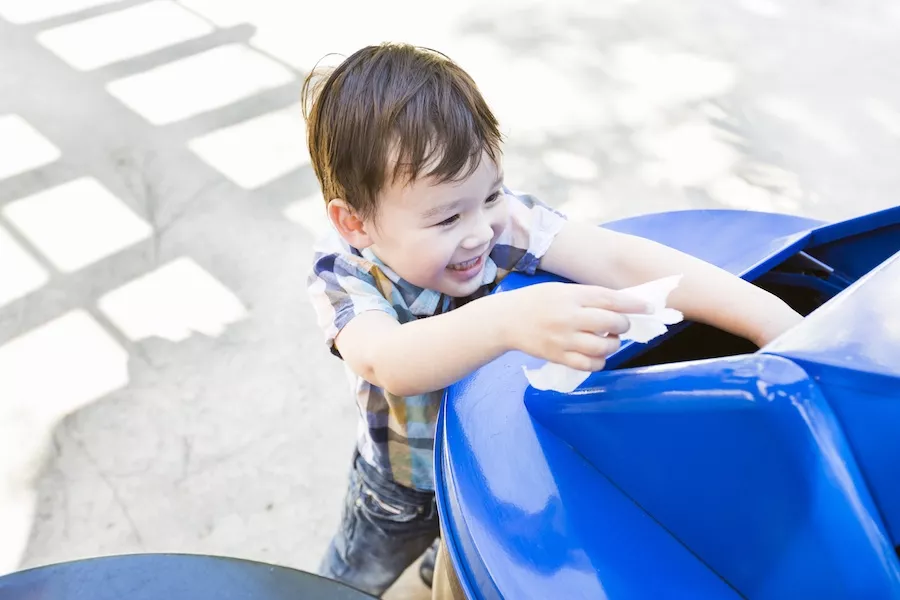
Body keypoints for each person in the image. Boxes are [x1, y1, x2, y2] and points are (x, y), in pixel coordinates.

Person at [301, 43, 802, 598]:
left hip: (477, 463)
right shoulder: (343, 274)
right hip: (400, 480)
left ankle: (435, 566)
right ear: (356, 224)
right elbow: (387, 360)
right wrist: (507, 320)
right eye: (446, 217)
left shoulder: (497, 221)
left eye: (489, 193)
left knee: (458, 542)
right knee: (354, 575)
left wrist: (768, 316)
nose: (479, 232)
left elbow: (620, 260)